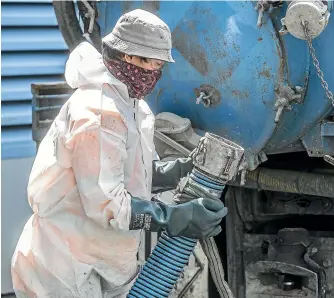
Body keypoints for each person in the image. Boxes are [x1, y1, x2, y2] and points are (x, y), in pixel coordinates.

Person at [11, 9, 227, 298]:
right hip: (66, 269)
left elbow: (125, 175)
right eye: (152, 63)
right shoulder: (98, 114)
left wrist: (176, 171)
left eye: (161, 65)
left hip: (100, 260)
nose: (156, 73)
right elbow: (109, 207)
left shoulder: (130, 103)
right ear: (127, 57)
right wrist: (174, 218)